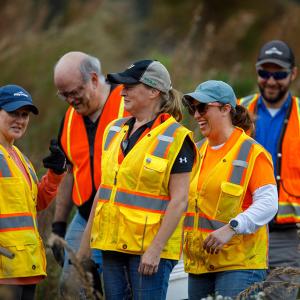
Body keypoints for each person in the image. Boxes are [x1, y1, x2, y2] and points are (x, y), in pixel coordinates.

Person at [78, 59, 197, 299]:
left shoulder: (176, 137)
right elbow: (105, 191)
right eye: (123, 85)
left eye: (131, 85)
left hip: (148, 253)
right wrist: (84, 246)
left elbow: (179, 201)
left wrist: (155, 250)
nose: (123, 90)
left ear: (154, 91)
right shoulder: (114, 130)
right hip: (112, 248)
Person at [182, 80, 278, 299]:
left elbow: (268, 204)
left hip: (239, 265)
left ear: (226, 109)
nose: (196, 115)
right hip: (199, 264)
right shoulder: (196, 151)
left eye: (203, 108)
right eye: (193, 108)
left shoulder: (251, 152)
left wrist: (232, 227)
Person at [50, 51, 128, 297]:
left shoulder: (129, 102)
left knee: (119, 292)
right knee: (72, 288)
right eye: (63, 95)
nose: (70, 100)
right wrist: (59, 226)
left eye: (74, 92)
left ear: (94, 79)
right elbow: (69, 172)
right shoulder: (69, 119)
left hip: (122, 219)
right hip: (84, 217)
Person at [239, 40, 300, 300]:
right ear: (256, 72)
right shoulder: (237, 111)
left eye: (279, 74)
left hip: (286, 237)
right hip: (240, 234)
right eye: (265, 73)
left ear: (293, 74)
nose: (271, 81)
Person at [0, 85, 66, 300]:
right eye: (12, 113)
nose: (20, 120)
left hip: (27, 267)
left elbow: (34, 204)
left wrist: (55, 174)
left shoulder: (18, 156)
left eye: (24, 115)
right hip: (4, 271)